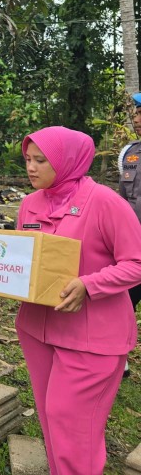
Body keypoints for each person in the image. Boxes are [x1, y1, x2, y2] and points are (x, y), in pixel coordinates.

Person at [18, 127, 141, 475]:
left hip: (91, 338)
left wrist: (90, 285)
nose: (31, 167)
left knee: (72, 423)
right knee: (51, 420)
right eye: (28, 159)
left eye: (41, 160)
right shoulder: (30, 203)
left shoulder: (104, 202)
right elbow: (23, 257)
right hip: (38, 329)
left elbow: (136, 262)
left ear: (67, 161)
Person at [117, 92, 141, 377]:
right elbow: (122, 201)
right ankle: (119, 356)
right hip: (133, 247)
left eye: (139, 114)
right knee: (123, 301)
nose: (135, 119)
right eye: (136, 114)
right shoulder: (129, 153)